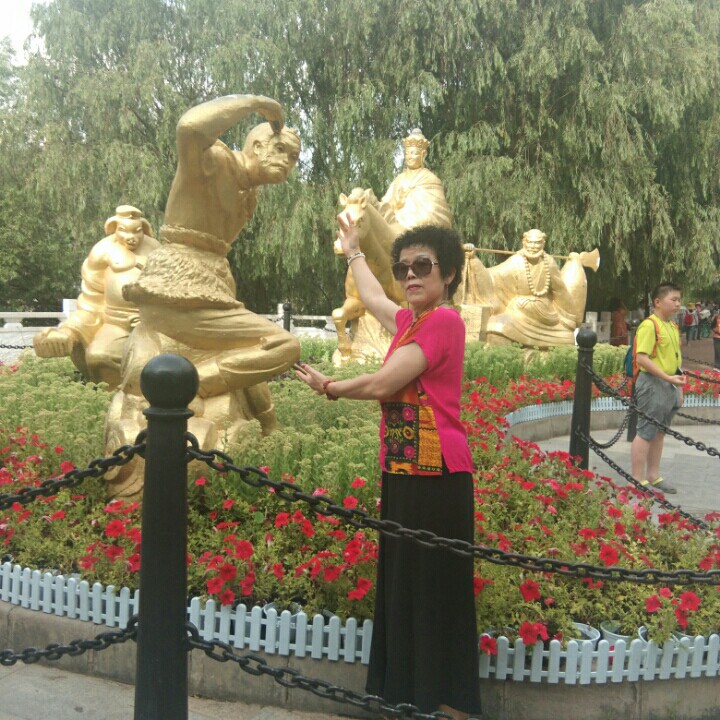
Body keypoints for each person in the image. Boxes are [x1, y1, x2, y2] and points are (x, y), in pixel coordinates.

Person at [295, 217, 481, 719]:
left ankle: (447, 702)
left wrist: (330, 387)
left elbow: (384, 383)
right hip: (404, 466)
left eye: (423, 266)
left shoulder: (443, 321)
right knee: (407, 582)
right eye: (403, 269)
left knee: (434, 584)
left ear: (448, 274)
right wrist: (354, 251)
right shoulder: (410, 322)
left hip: (438, 472)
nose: (410, 275)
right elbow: (374, 298)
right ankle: (411, 695)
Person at [33, 205, 159, 387]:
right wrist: (68, 331)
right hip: (116, 323)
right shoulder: (103, 252)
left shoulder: (157, 250)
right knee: (99, 356)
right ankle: (115, 398)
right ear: (114, 228)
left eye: (137, 231)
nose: (131, 237)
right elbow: (91, 304)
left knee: (167, 359)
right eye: (124, 230)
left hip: (156, 323)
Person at [630, 282, 686, 495]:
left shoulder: (672, 326)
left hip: (669, 383)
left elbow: (675, 358)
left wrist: (678, 384)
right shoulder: (649, 325)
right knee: (645, 431)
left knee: (660, 432)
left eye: (679, 300)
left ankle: (653, 475)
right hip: (652, 383)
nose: (678, 304)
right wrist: (667, 377)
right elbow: (642, 358)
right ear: (658, 302)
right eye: (673, 299)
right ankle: (637, 478)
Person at [379, 128, 453, 230]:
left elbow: (436, 213)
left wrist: (406, 217)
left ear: (423, 155)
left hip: (419, 229)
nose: (409, 157)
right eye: (407, 153)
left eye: (414, 153)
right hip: (395, 227)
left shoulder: (430, 179)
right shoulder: (399, 179)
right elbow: (385, 204)